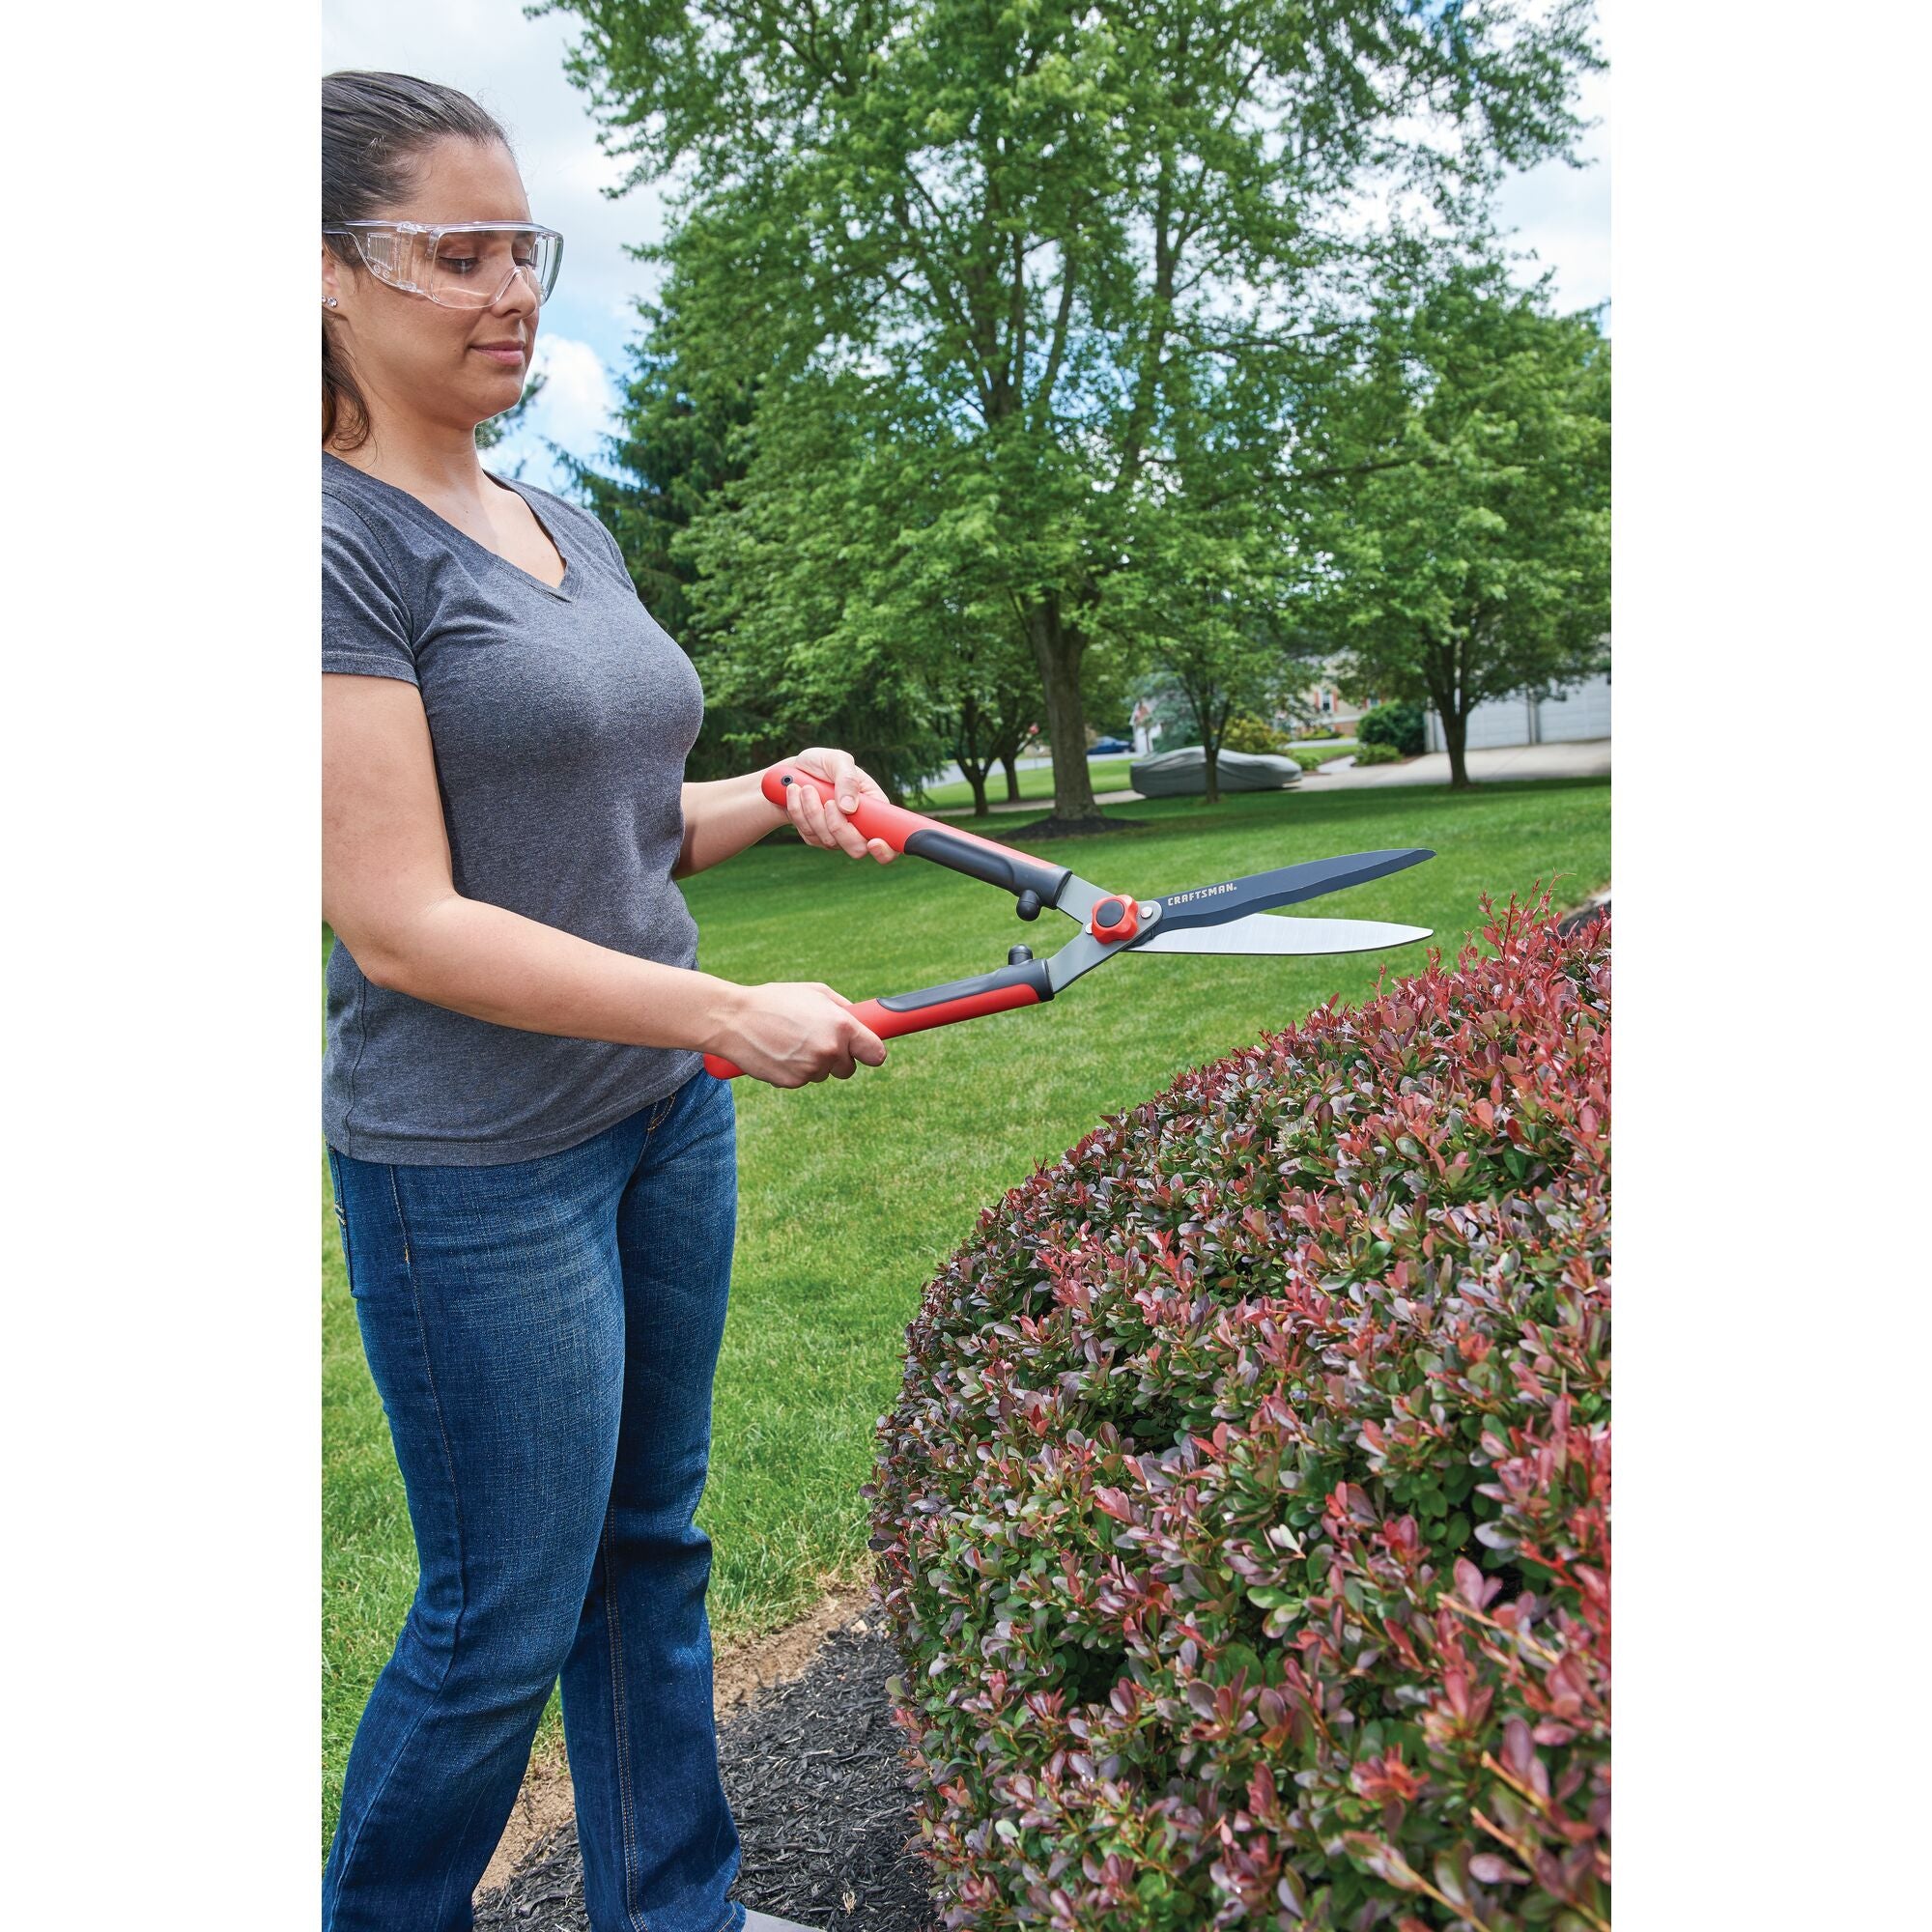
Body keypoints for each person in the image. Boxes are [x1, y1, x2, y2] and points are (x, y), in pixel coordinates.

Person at [320, 71, 893, 1932]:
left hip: (654, 1126)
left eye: (525, 249)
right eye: (453, 253)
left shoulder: (561, 521)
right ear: (326, 276)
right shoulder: (321, 546)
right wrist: (714, 1014)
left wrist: (775, 789)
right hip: (476, 1167)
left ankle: (679, 1910)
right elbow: (402, 922)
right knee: (502, 1617)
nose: (511, 290)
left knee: (652, 1552)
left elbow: (623, 828)